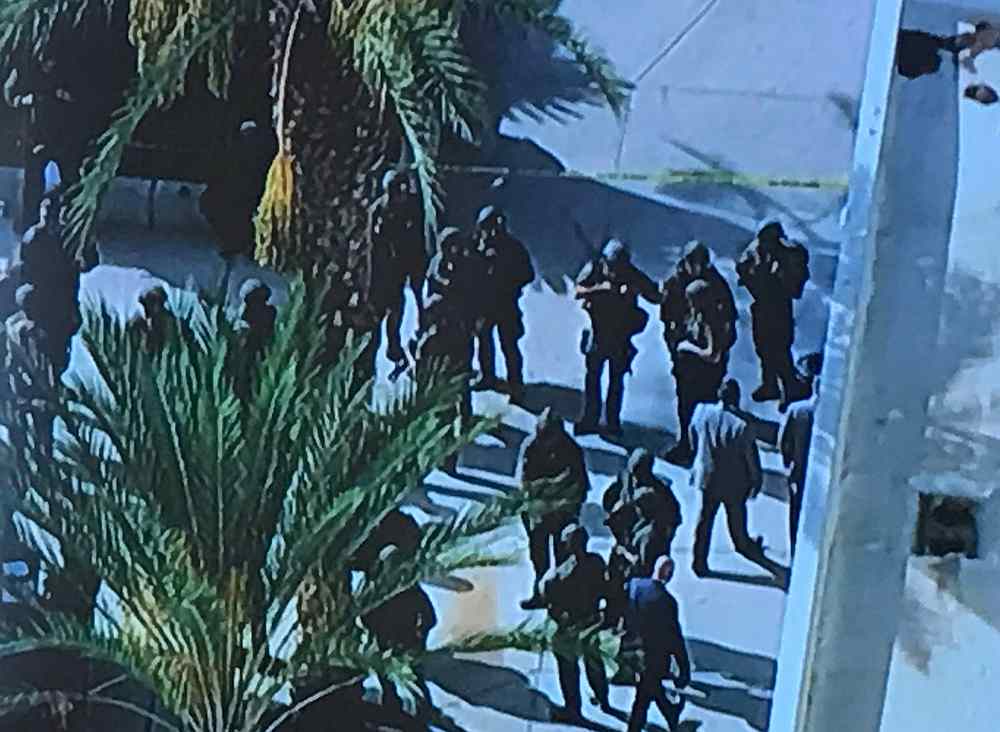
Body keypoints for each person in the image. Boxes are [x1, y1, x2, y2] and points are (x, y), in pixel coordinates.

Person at [410, 228, 484, 473]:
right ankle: (443, 452)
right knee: (442, 411)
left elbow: (472, 292)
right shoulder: (438, 266)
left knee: (460, 396)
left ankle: (463, 428)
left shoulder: (466, 265)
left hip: (459, 338)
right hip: (443, 351)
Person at [574, 239, 660, 437]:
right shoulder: (595, 269)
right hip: (598, 333)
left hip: (620, 336)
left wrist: (636, 290)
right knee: (592, 379)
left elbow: (655, 294)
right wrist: (601, 288)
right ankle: (590, 419)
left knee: (616, 381)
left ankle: (612, 422)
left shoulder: (631, 274)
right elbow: (578, 291)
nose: (617, 270)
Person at [689, 379, 773, 576]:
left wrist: (698, 456)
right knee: (736, 518)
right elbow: (751, 459)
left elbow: (693, 434)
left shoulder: (702, 412)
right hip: (734, 482)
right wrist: (756, 481)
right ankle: (743, 545)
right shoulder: (742, 426)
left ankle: (698, 561)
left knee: (705, 519)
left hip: (708, 477)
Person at [517, 408, 590, 610]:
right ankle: (540, 593)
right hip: (538, 514)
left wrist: (548, 491)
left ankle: (563, 598)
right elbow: (525, 485)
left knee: (564, 557)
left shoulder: (571, 450)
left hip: (563, 513)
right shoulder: (531, 447)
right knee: (539, 559)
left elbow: (579, 486)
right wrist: (556, 485)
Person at [539, 524, 612, 721]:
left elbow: (551, 602)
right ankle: (603, 698)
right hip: (593, 620)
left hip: (571, 626)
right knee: (594, 662)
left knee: (568, 666)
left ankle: (573, 708)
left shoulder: (562, 574)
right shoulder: (597, 562)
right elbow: (606, 589)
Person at [602, 449, 681, 628]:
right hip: (625, 538)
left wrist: (666, 533)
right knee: (614, 580)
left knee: (636, 586)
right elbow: (609, 498)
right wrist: (614, 511)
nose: (636, 474)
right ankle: (612, 616)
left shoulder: (660, 494)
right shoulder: (625, 479)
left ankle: (633, 623)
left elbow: (674, 517)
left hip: (643, 550)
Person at [736, 221, 809, 412]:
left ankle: (791, 388)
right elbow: (743, 270)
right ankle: (770, 385)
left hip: (779, 309)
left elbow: (795, 283)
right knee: (763, 348)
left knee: (779, 351)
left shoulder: (788, 254)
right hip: (761, 307)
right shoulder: (755, 252)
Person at [363, 545, 437, 730]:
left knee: (413, 679)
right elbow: (365, 614)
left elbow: (430, 617)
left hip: (406, 644)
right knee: (388, 680)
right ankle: (393, 709)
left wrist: (419, 636)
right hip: (386, 644)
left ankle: (421, 713)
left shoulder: (410, 589)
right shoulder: (379, 589)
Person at [4, 55, 80, 233]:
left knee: (69, 180)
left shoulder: (68, 69)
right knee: (32, 183)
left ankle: (68, 223)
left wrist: (66, 97)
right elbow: (10, 93)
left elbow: (83, 96)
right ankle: (28, 224)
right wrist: (25, 100)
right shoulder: (25, 69)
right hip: (35, 136)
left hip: (63, 137)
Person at [666, 277, 736, 465]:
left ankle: (693, 449)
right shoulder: (696, 317)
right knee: (684, 412)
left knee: (696, 415)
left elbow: (713, 354)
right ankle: (685, 445)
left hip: (702, 379)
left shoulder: (711, 321)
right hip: (688, 376)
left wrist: (687, 347)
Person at [368, 169, 427, 379]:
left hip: (406, 264)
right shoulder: (379, 210)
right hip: (384, 269)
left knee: (398, 308)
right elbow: (372, 244)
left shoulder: (413, 207)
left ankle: (398, 349)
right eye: (396, 190)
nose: (400, 195)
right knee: (386, 309)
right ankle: (392, 350)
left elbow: (419, 238)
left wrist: (417, 269)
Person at [471, 206, 535, 400]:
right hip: (485, 303)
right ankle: (487, 375)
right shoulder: (477, 247)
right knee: (483, 340)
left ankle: (515, 383)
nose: (490, 232)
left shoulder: (513, 248)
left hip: (506, 303)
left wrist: (508, 280)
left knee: (509, 345)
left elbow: (528, 275)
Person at [17, 191, 81, 376]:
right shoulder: (34, 237)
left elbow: (76, 269)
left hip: (61, 298)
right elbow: (27, 271)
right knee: (46, 342)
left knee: (59, 344)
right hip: (44, 297)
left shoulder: (66, 237)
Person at [625, 556, 690, 732]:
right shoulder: (667, 602)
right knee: (646, 694)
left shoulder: (635, 586)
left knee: (646, 692)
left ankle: (667, 715)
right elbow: (675, 638)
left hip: (636, 649)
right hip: (656, 655)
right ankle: (670, 715)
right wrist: (684, 666)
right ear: (669, 576)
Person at [199, 119, 278, 258]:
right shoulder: (233, 153)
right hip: (237, 195)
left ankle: (243, 243)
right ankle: (235, 242)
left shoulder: (263, 154)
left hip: (255, 195)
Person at [779, 356, 821, 559]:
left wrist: (788, 465)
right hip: (821, 475)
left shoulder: (796, 411)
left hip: (799, 472)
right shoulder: (829, 416)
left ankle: (797, 551)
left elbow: (783, 442)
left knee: (796, 513)